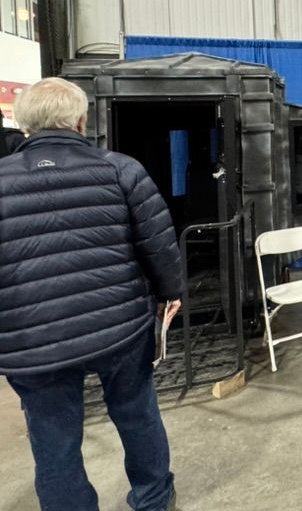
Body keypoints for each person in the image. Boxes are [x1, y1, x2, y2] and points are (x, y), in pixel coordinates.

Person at [0, 78, 182, 511]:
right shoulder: (120, 169)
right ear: (81, 119)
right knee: (137, 415)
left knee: (54, 441)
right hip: (117, 329)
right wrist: (170, 292)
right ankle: (154, 499)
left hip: (32, 342)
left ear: (24, 123)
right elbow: (158, 242)